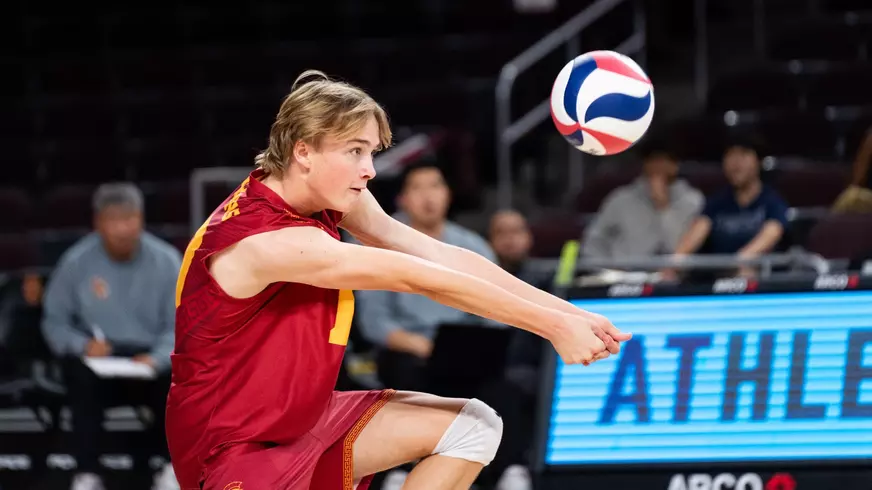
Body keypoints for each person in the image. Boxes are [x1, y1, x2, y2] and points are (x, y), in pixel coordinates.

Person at [167, 70, 630, 490]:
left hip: (302, 418)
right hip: (234, 446)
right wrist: (550, 328)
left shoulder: (326, 195)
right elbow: (417, 277)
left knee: (474, 426)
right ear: (303, 151)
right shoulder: (264, 242)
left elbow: (440, 255)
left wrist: (571, 313)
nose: (369, 169)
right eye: (354, 151)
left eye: (370, 152)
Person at [40, 183, 181, 490]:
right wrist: (82, 345)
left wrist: (156, 359)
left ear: (141, 219)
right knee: (79, 376)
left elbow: (181, 325)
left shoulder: (168, 261)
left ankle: (171, 467)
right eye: (113, 220)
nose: (122, 229)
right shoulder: (76, 263)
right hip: (98, 359)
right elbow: (55, 322)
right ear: (97, 222)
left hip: (150, 357)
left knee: (179, 377)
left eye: (129, 219)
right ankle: (87, 472)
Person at [355, 159, 496, 392]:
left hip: (465, 350)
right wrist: (420, 345)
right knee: (408, 371)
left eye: (435, 186)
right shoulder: (379, 247)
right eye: (417, 188)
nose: (428, 196)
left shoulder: (474, 247)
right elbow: (374, 321)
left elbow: (494, 312)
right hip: (409, 352)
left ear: (448, 194)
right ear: (402, 199)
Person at [667, 138, 788, 279]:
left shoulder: (771, 201)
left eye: (743, 155)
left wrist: (740, 261)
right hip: (720, 278)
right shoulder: (717, 202)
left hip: (759, 277)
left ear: (758, 162)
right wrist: (674, 262)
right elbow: (698, 231)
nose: (736, 163)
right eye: (730, 155)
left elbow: (771, 234)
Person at [581, 147, 703, 259]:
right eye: (654, 160)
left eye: (664, 161)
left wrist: (663, 207)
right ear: (645, 164)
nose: (659, 166)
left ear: (675, 166)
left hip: (673, 278)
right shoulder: (621, 198)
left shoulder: (692, 200)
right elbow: (593, 241)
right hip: (624, 276)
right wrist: (607, 271)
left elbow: (681, 246)